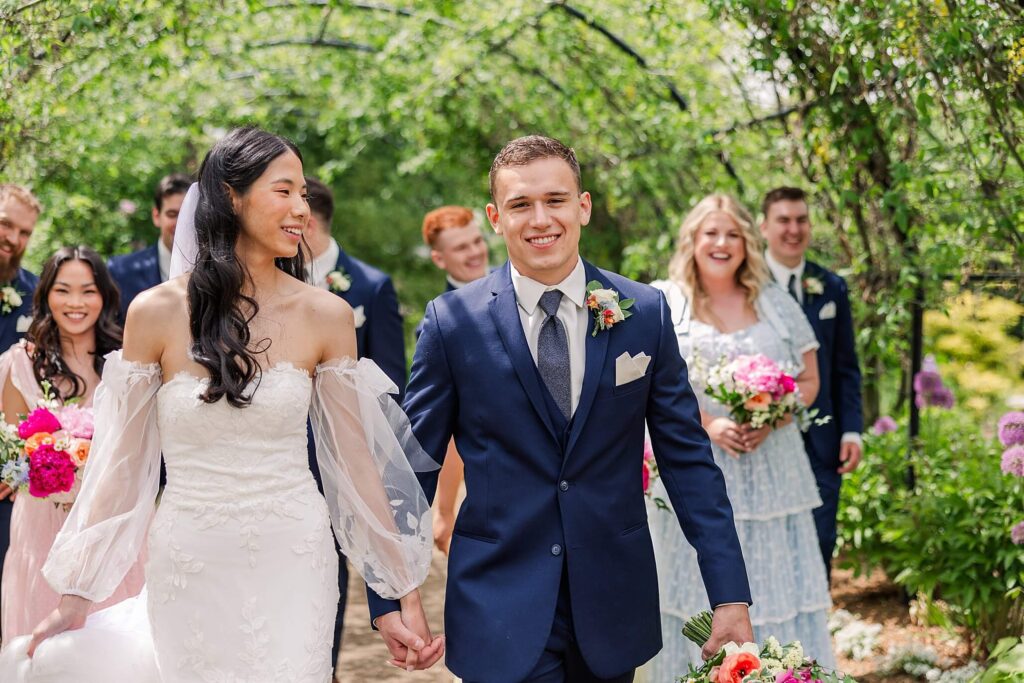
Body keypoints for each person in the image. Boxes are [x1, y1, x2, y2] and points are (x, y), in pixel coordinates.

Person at [0, 127, 440, 681]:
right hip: (189, 559)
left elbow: (355, 465)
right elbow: (120, 465)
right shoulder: (153, 312)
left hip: (295, 556)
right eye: (284, 190)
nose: (301, 209)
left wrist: (402, 596)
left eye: (303, 193)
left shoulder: (326, 315)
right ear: (232, 196)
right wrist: (75, 596)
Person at [370, 136, 753, 682]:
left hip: (613, 604)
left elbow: (689, 462)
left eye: (556, 199)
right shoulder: (452, 323)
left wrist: (729, 594)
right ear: (495, 218)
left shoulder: (645, 313)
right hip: (498, 604)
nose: (540, 218)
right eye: (521, 204)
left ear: (584, 206)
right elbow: (410, 472)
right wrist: (389, 597)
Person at [646, 194, 835, 678]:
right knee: (693, 593)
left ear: (748, 243)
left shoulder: (774, 302)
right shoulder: (666, 300)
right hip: (696, 465)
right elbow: (647, 389)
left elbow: (811, 380)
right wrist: (709, 424)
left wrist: (773, 417)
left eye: (733, 234)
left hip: (775, 471)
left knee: (778, 593)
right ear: (692, 240)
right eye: (711, 233)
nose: (722, 243)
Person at [0, 247, 146, 640]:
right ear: (46, 294)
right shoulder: (21, 364)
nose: (76, 303)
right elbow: (12, 448)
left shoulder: (125, 359)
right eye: (63, 290)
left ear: (105, 295)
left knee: (112, 643)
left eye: (88, 291)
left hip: (110, 521)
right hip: (42, 524)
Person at [300, 176, 408, 670]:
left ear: (310, 221)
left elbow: (391, 389)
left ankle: (325, 666)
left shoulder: (370, 285)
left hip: (342, 460)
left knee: (329, 581)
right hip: (275, 456)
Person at [759, 186, 863, 576]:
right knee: (768, 546)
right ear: (764, 226)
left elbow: (845, 367)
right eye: (783, 220)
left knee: (820, 542)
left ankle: (813, 631)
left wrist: (852, 431)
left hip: (823, 442)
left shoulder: (830, 286)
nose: (793, 229)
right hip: (763, 438)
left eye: (801, 220)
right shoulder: (746, 283)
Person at [419, 205, 490, 555]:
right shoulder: (442, 324)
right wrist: (444, 511)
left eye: (477, 241)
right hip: (478, 485)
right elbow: (444, 430)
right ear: (439, 258)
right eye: (461, 247)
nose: (475, 252)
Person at [0, 184, 42, 641]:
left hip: (7, 475)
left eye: (23, 232)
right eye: (5, 223)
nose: (12, 238)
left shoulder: (35, 297)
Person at [108, 174, 191, 323]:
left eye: (187, 215)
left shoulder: (217, 272)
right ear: (156, 216)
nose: (181, 224)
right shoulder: (120, 271)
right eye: (173, 214)